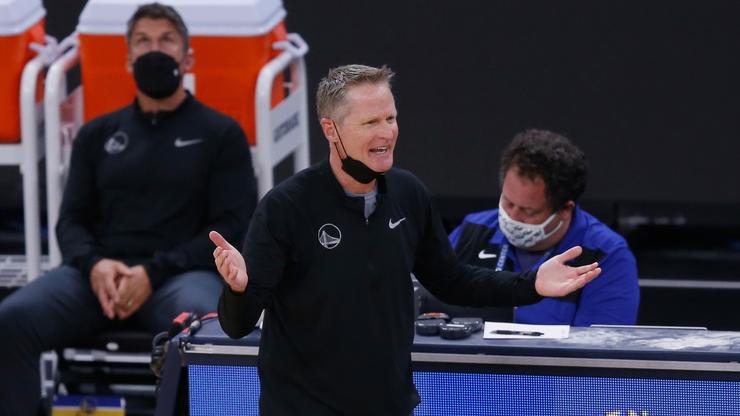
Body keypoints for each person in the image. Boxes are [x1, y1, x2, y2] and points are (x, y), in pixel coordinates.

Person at [210, 64, 601, 415]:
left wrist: (532, 284)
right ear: (331, 130)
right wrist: (239, 289)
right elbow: (236, 325)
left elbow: (452, 280)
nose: (387, 132)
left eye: (391, 117)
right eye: (370, 122)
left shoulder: (408, 193)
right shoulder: (286, 207)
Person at [0, 3, 257, 414]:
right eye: (143, 41)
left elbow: (232, 225)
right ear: (127, 58)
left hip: (178, 278)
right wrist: (96, 265)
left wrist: (152, 273)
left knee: (213, 330)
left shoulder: (221, 133)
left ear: (188, 58)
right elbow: (71, 222)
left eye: (166, 40)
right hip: (98, 279)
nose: (154, 50)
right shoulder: (96, 133)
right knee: (11, 320)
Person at [448, 129, 639, 326]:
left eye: (528, 211)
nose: (512, 216)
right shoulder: (472, 230)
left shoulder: (606, 255)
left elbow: (600, 342)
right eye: (507, 202)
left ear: (565, 209)